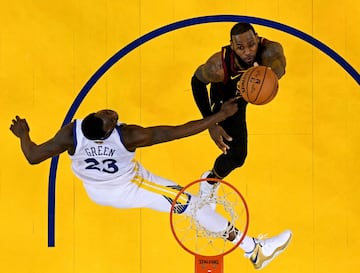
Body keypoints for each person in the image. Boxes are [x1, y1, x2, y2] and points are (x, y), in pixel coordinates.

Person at [10, 98, 291, 270]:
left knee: (188, 202)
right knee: (188, 204)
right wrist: (219, 117)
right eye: (111, 120)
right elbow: (176, 132)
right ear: (108, 133)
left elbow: (33, 156)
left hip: (95, 188)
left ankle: (214, 206)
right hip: (129, 187)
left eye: (106, 114)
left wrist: (24, 134)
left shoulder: (71, 134)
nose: (112, 115)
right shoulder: (128, 136)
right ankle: (254, 250)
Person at [191, 22, 286, 196]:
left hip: (247, 93)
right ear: (232, 46)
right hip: (228, 100)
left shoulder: (271, 52)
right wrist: (211, 124)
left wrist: (264, 80)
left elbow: (279, 72)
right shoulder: (218, 66)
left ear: (257, 39)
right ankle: (209, 183)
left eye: (251, 44)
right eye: (240, 47)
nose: (248, 51)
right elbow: (196, 82)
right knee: (237, 156)